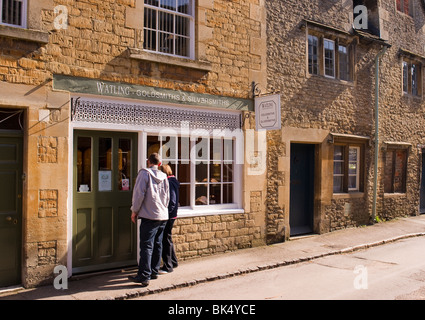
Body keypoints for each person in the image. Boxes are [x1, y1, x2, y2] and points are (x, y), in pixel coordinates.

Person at [128, 153, 169, 287]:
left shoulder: (144, 174)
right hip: (162, 215)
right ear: (159, 164)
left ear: (148, 162)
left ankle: (143, 276)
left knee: (146, 245)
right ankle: (153, 271)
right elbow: (167, 197)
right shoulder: (164, 177)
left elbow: (139, 194)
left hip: (149, 215)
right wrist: (163, 209)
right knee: (157, 243)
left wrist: (134, 211)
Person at [159, 164, 180, 273]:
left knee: (164, 240)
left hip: (169, 215)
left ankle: (168, 266)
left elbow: (172, 201)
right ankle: (173, 261)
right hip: (172, 215)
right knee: (168, 238)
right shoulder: (173, 181)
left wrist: (166, 214)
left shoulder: (169, 182)